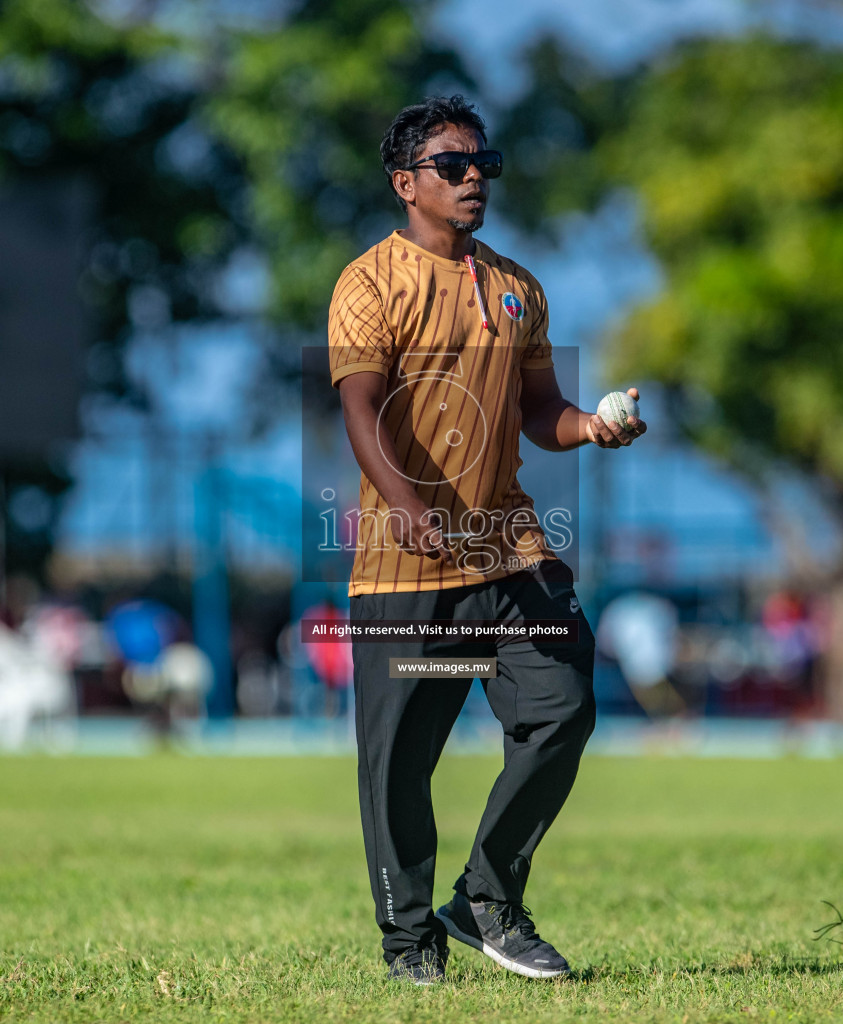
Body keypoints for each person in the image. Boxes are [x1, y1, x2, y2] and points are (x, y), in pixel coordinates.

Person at [328, 95, 646, 986]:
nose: (475, 180)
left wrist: (591, 427)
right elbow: (360, 410)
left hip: (508, 553)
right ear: (406, 184)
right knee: (400, 763)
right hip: (402, 570)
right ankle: (408, 946)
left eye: (484, 166)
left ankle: (487, 900)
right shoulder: (368, 283)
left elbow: (539, 412)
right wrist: (407, 507)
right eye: (453, 166)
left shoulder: (517, 287)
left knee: (563, 706)